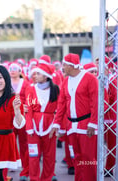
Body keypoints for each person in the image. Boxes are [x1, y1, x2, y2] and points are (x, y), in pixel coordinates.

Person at [50, 53, 98, 181]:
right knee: (76, 157)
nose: (63, 67)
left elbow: (95, 103)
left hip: (86, 124)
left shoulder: (90, 79)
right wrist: (56, 124)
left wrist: (93, 123)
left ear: (72, 65)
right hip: (71, 126)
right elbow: (61, 104)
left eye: (65, 64)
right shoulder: (66, 80)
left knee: (88, 158)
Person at [25, 63, 59, 181]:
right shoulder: (30, 88)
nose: (35, 75)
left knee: (49, 156)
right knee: (33, 155)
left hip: (50, 125)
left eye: (38, 73)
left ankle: (47, 178)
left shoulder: (55, 89)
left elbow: (59, 109)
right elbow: (28, 109)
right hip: (33, 125)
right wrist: (29, 126)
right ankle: (34, 178)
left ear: (46, 76)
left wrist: (56, 125)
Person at [8, 62, 30, 181]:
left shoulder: (26, 83)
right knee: (9, 142)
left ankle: (26, 169)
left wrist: (27, 106)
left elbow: (30, 98)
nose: (12, 70)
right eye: (10, 69)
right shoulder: (5, 83)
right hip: (9, 116)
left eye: (15, 69)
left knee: (24, 142)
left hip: (22, 115)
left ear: (20, 71)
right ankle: (10, 166)